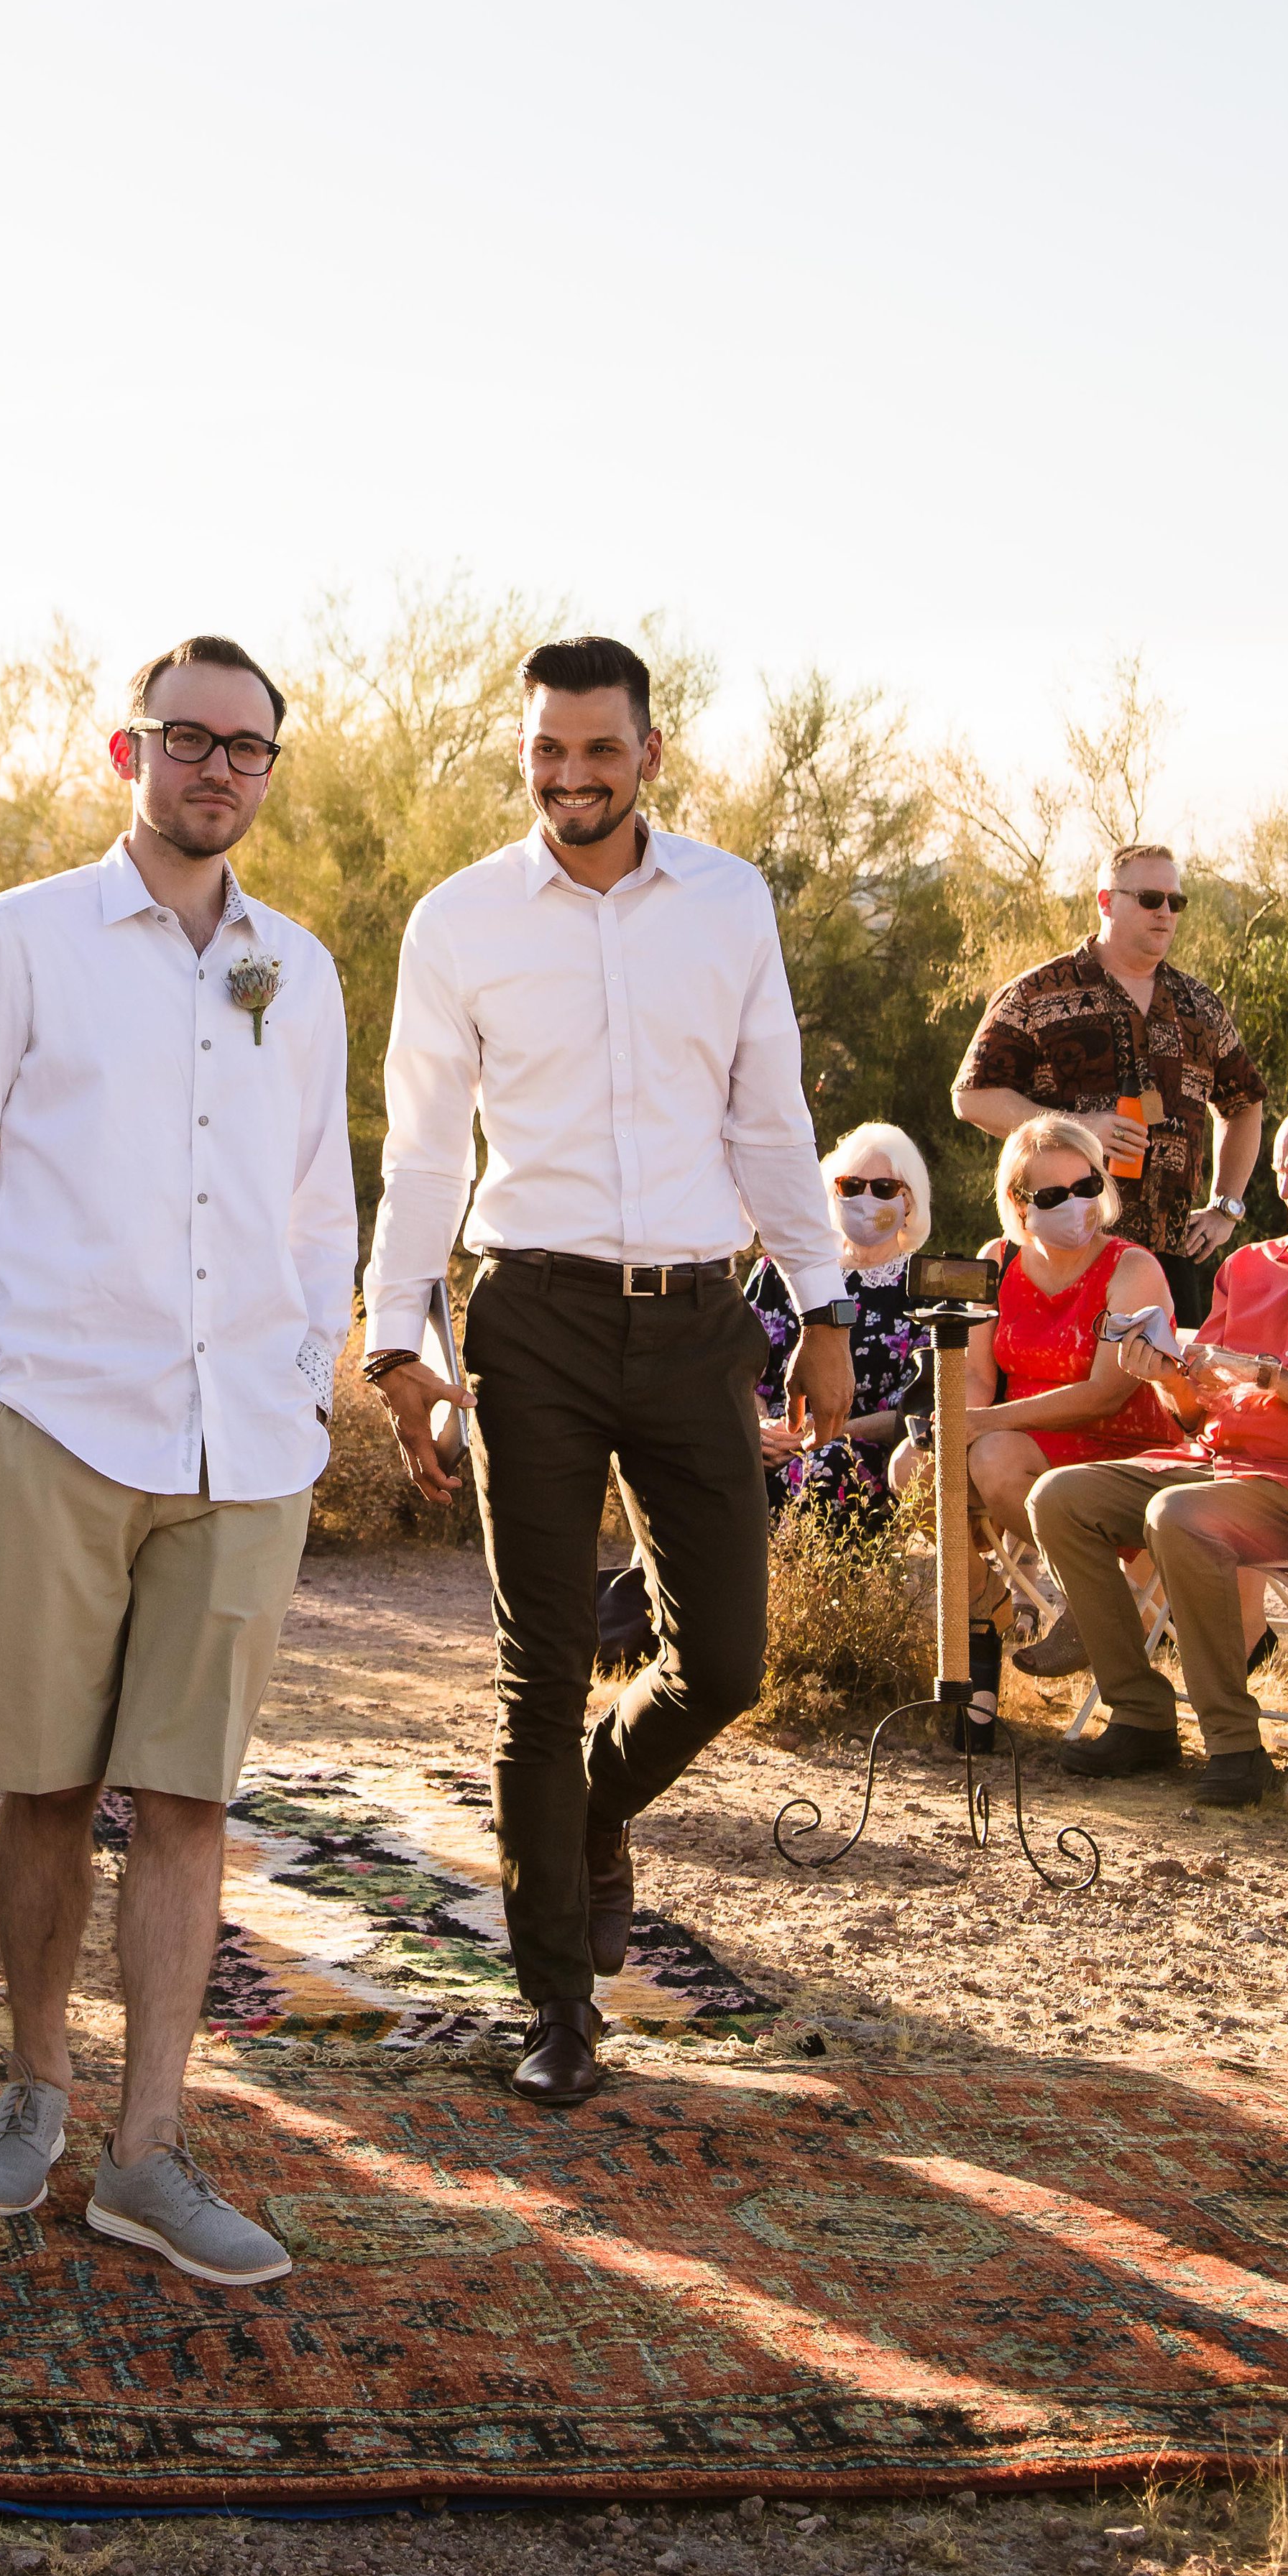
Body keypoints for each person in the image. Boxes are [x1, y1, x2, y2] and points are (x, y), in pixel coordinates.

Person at [0, 635, 353, 2286]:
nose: (216, 766)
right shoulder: (20, 941)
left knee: (187, 1793)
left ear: (267, 767)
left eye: (247, 745)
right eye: (188, 736)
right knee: (42, 1779)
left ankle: (146, 2149)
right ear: (127, 748)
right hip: (64, 1418)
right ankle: (31, 2085)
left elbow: (318, 1197)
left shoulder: (294, 968)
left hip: (245, 1440)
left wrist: (303, 1377)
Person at [361, 635, 852, 2110]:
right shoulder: (458, 923)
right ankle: (559, 2004)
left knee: (727, 1661)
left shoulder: (726, 901)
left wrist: (821, 1300)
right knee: (538, 1665)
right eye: (548, 753)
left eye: (600, 751)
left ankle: (578, 1820)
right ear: (523, 754)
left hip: (703, 1316)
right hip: (536, 1323)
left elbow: (771, 1114)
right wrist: (400, 1338)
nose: (572, 777)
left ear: (649, 751)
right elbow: (428, 1147)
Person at [1030, 1097, 1288, 1808]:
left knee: (1180, 1516)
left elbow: (1265, 1389)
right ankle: (1141, 1714)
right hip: (1218, 1466)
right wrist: (1166, 1378)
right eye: (1282, 1173)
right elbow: (1200, 1413)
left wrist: (1275, 1378)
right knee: (1061, 1498)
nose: (1285, 1190)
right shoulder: (1249, 1267)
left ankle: (1233, 1743)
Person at [888, 1113, 1169, 1735]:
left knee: (991, 1457)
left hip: (1120, 1446)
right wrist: (953, 1425)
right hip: (1025, 1441)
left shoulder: (1132, 1268)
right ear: (1018, 1202)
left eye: (1088, 1185)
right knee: (911, 1467)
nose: (1078, 1206)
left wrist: (981, 1422)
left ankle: (1093, 1600)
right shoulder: (998, 1260)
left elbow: (1103, 1395)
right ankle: (984, 1606)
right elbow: (980, 1381)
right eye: (1052, 1196)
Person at [952, 842, 1264, 1329]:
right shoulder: (1038, 993)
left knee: (1164, 1401)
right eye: (1149, 899)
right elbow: (971, 1095)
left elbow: (1245, 1104)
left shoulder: (1200, 1006)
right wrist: (1078, 1128)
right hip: (1057, 1251)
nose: (1165, 913)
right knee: (1043, 1391)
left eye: (1175, 902)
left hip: (1169, 1255)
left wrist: (1226, 1207)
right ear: (1105, 901)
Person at [747, 1121, 932, 1529]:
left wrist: (819, 1433)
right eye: (850, 1187)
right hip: (765, 1438)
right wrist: (759, 1427)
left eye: (883, 1188)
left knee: (825, 1466)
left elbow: (912, 1410)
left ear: (910, 1203)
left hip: (855, 1447)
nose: (865, 1198)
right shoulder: (781, 1273)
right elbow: (737, 1368)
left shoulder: (923, 1291)